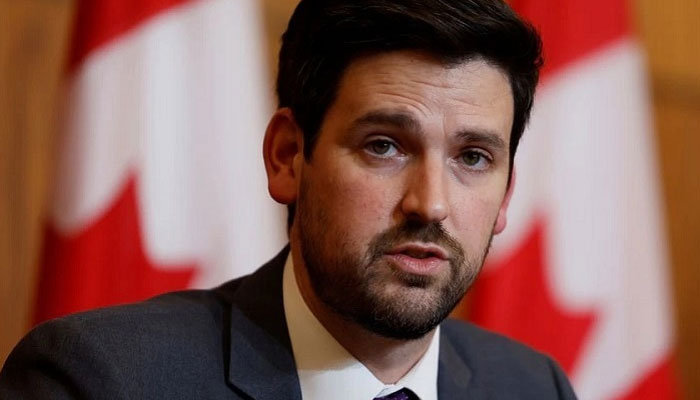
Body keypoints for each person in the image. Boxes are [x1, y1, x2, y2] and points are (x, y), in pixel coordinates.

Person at [0, 0, 577, 399]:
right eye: (384, 146)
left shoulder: (532, 389)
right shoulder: (102, 382)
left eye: (473, 157)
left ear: (506, 195)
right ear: (286, 157)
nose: (430, 204)